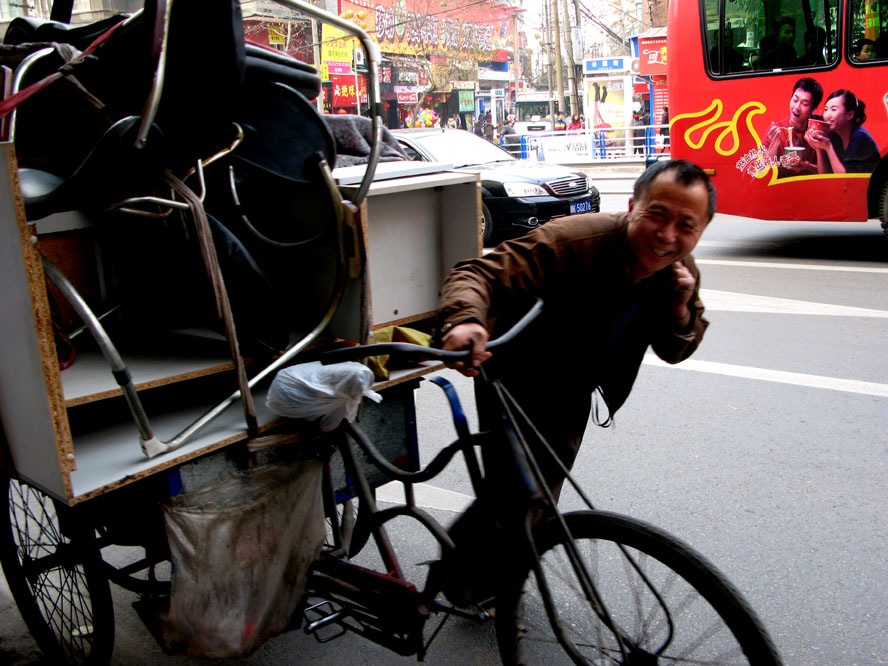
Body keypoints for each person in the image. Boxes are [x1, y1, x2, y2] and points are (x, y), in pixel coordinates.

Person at [435, 159, 714, 606]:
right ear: (632, 207)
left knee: (536, 493)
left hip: (574, 384)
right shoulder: (574, 240)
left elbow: (677, 346)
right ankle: (465, 582)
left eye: (686, 225)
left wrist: (680, 308)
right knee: (519, 491)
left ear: (700, 231)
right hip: (514, 372)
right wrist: (466, 322)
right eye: (657, 215)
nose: (667, 236)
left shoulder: (679, 269)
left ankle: (478, 575)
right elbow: (477, 273)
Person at [806, 89, 879, 173]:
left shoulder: (860, 137)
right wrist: (818, 149)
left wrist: (828, 148)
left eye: (833, 109)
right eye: (826, 109)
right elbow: (825, 175)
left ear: (850, 115)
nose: (827, 115)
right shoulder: (833, 135)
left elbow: (845, 180)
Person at [762, 77, 823, 176]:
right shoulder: (776, 130)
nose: (797, 107)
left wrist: (807, 167)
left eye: (805, 104)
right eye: (795, 100)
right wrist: (774, 144)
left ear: (814, 109)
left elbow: (830, 173)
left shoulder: (819, 128)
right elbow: (763, 173)